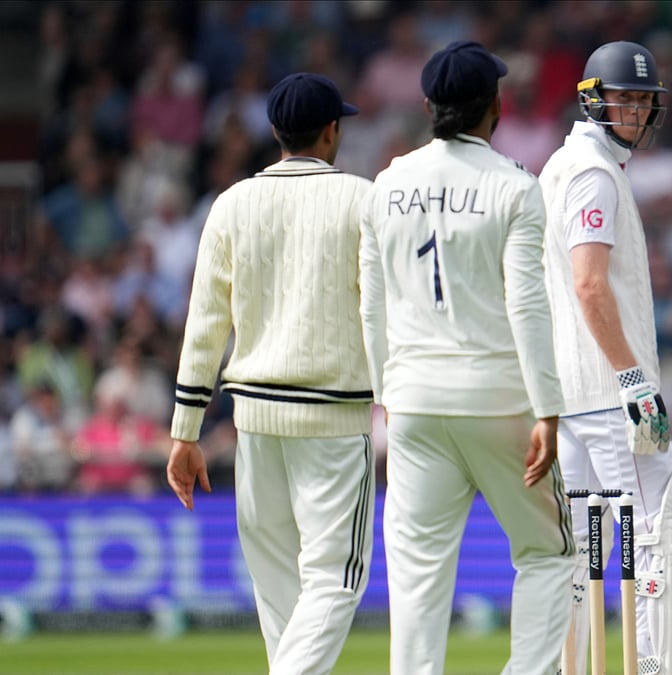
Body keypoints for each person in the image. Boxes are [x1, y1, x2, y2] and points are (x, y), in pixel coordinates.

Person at [358, 41, 572, 675]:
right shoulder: (514, 187)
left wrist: (384, 400)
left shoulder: (387, 183)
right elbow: (528, 307)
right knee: (547, 552)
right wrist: (549, 410)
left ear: (429, 105)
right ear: (494, 106)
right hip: (499, 398)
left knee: (417, 573)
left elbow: (371, 308)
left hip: (414, 404)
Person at [166, 72, 375, 675]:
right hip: (334, 417)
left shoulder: (231, 204)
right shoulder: (363, 200)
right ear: (332, 130)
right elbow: (382, 308)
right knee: (336, 579)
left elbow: (205, 323)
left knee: (280, 588)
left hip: (255, 422)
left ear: (276, 132)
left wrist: (184, 431)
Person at [539, 41, 672, 675]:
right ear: (593, 100)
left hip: (573, 396)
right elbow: (588, 283)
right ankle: (656, 667)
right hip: (611, 398)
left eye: (641, 100)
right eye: (622, 99)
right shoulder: (593, 173)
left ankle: (569, 668)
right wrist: (634, 381)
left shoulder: (560, 164)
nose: (632, 112)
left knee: (582, 552)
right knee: (659, 539)